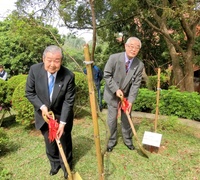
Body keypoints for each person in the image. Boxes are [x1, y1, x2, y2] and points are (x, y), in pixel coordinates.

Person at [25, 45, 76, 179]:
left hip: (61, 114)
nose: (52, 64)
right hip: (44, 114)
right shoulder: (34, 70)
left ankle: (66, 167)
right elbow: (29, 92)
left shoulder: (68, 76)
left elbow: (68, 101)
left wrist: (63, 123)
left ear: (61, 61)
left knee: (64, 141)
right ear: (43, 59)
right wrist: (42, 107)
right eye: (49, 60)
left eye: (57, 61)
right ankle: (54, 164)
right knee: (50, 141)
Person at [103, 37, 144, 152]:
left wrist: (130, 100)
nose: (133, 49)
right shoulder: (114, 58)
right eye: (131, 46)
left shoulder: (139, 64)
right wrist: (116, 89)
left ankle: (128, 140)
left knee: (126, 118)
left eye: (137, 47)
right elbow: (106, 75)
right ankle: (111, 141)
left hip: (126, 96)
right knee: (112, 119)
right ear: (125, 46)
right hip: (112, 94)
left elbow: (136, 84)